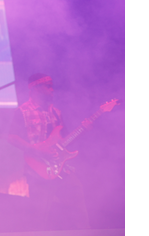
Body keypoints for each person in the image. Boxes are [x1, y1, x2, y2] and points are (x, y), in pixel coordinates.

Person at [7, 73, 92, 230]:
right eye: (48, 86)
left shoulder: (56, 112)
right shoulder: (22, 111)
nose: (52, 89)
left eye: (52, 86)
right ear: (35, 88)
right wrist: (35, 150)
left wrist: (82, 131)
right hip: (37, 171)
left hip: (61, 168)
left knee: (78, 209)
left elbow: (65, 140)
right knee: (38, 217)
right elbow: (12, 137)